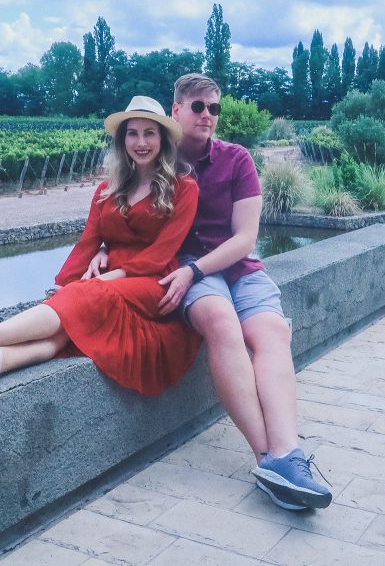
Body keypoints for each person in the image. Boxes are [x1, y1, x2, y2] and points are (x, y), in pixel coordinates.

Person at [0, 96, 202, 400]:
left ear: (162, 139)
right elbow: (89, 241)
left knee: (85, 295)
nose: (141, 142)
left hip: (153, 283)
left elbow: (160, 254)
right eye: (132, 133)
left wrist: (92, 283)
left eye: (149, 133)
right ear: (123, 141)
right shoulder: (106, 190)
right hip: (110, 277)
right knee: (67, 328)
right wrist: (64, 283)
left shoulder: (184, 188)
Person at [156, 73, 332, 510]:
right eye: (198, 106)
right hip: (185, 269)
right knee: (220, 322)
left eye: (214, 108)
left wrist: (197, 269)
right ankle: (268, 459)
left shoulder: (236, 160)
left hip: (233, 267)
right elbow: (121, 208)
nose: (208, 115)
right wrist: (102, 249)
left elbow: (245, 239)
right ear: (175, 109)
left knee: (273, 332)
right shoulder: (156, 160)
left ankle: (288, 455)